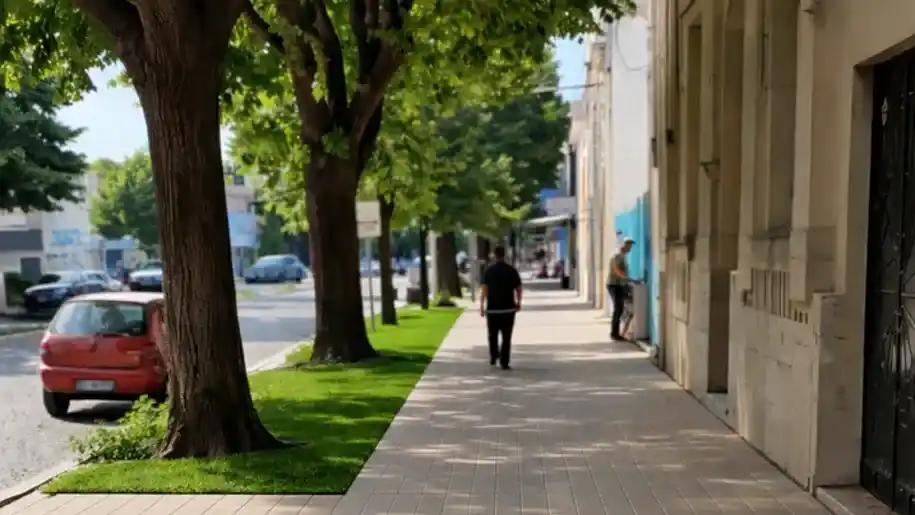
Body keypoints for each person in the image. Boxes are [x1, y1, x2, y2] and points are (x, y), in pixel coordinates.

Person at [479, 245, 522, 370]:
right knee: (506, 336)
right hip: (508, 308)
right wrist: (518, 302)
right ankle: (504, 361)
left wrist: (482, 305)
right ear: (505, 255)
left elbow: (484, 290)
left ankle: (493, 356)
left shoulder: (488, 271)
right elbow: (518, 289)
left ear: (493, 255)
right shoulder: (511, 270)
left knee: (492, 334)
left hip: (492, 309)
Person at [607, 237, 636, 341]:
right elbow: (617, 271)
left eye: (631, 246)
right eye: (629, 246)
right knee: (618, 308)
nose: (630, 248)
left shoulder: (623, 256)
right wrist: (631, 280)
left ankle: (619, 332)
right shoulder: (617, 256)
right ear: (624, 245)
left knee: (621, 309)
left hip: (620, 285)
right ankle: (614, 333)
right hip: (614, 285)